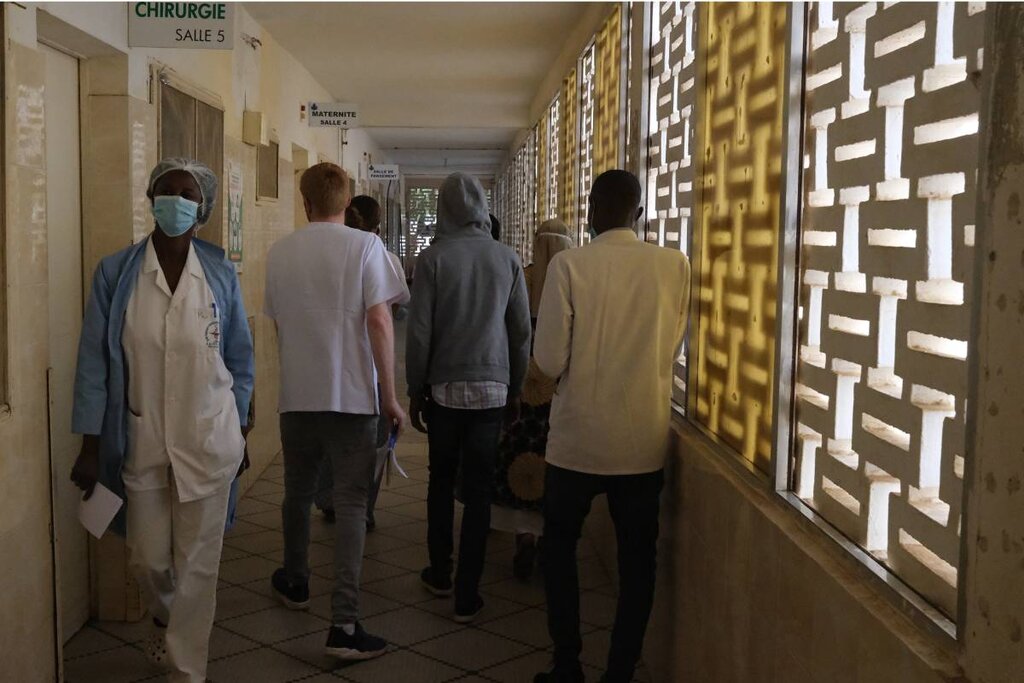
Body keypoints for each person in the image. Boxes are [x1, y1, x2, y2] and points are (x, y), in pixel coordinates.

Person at [70, 158, 254, 682]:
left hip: (209, 440)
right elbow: (93, 363)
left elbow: (240, 359)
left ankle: (186, 670)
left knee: (199, 567)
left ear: (203, 207)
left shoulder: (219, 272)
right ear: (151, 200)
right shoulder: (115, 273)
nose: (176, 200)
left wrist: (238, 429)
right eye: (166, 191)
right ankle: (165, 616)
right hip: (142, 438)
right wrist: (89, 444)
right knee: (148, 559)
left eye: (187, 192)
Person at [532, 170, 690, 683]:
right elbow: (673, 346)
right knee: (637, 564)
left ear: (590, 211)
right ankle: (619, 671)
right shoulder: (674, 266)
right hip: (642, 442)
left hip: (576, 442)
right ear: (638, 213)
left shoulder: (568, 266)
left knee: (559, 552)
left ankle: (567, 664)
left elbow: (550, 360)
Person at [264, 163, 409, 660]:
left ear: (304, 203)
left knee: (297, 493)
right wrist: (390, 396)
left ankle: (296, 581)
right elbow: (379, 322)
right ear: (347, 205)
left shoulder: (279, 254)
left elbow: (280, 325)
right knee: (350, 505)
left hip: (297, 398)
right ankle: (344, 624)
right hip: (352, 398)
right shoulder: (366, 247)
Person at [407, 172, 531, 623]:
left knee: (440, 482)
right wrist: (516, 387)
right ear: (482, 207)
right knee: (479, 492)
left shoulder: (432, 260)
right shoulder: (507, 258)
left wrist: (414, 390)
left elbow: (419, 335)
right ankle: (467, 594)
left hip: (443, 391)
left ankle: (440, 572)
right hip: (493, 389)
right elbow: (520, 333)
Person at [314, 195, 410, 530]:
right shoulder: (387, 259)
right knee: (370, 442)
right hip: (371, 367)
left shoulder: (324, 256)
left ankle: (328, 499)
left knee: (329, 439)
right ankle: (362, 506)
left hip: (329, 362)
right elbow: (392, 313)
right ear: (379, 227)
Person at [491, 218, 573, 581]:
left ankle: (522, 536)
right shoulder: (574, 280)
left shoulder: (522, 276)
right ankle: (548, 539)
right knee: (553, 465)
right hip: (560, 391)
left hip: (524, 387)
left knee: (522, 461)